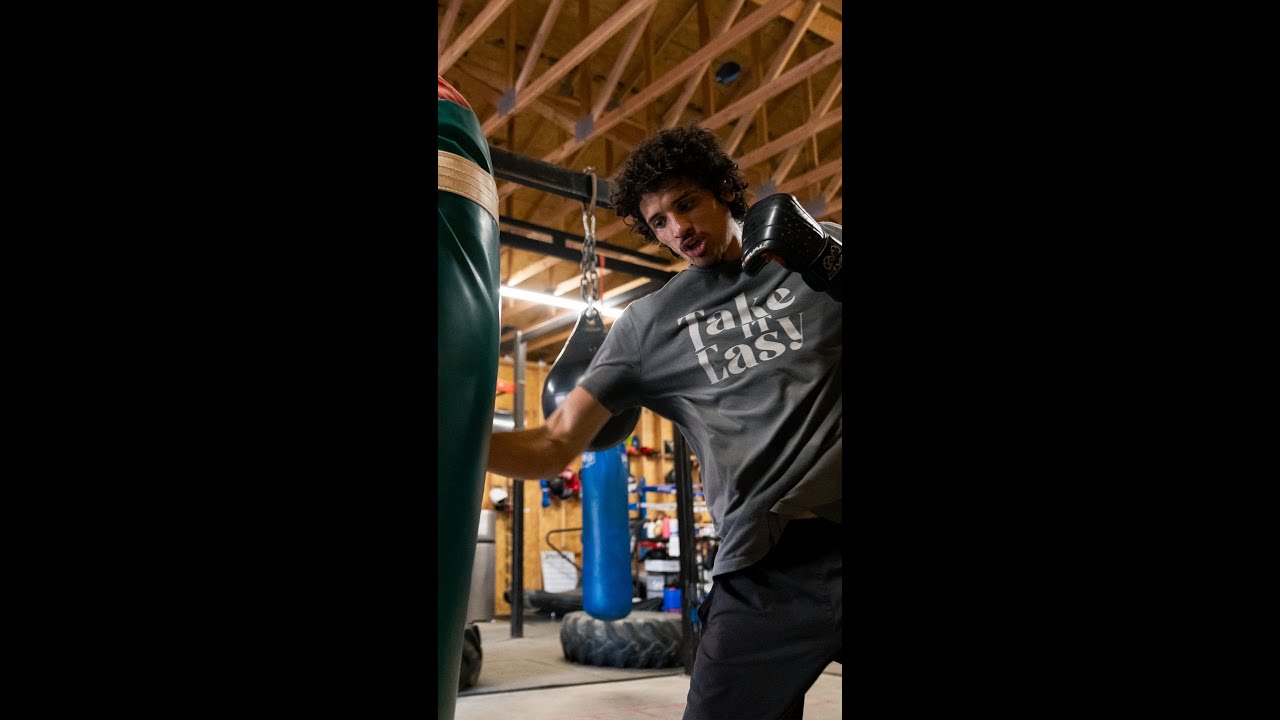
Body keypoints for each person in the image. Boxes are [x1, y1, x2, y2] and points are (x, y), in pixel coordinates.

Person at [487, 124, 842, 719]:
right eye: (658, 222)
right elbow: (554, 443)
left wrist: (832, 263)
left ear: (724, 190)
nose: (678, 229)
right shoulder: (648, 325)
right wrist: (457, 439)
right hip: (763, 566)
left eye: (686, 204)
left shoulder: (818, 248)